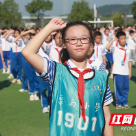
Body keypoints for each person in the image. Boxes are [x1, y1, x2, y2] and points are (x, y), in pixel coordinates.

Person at [22, 18, 114, 136]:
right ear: (64, 43)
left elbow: (106, 116)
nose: (79, 43)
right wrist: (49, 27)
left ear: (91, 42)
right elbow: (28, 52)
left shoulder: (101, 77)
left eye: (84, 38)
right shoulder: (56, 72)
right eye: (72, 39)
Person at [106, 31, 132, 110]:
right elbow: (107, 47)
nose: (124, 40)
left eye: (125, 38)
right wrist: (112, 40)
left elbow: (129, 61)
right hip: (117, 71)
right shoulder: (115, 48)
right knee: (118, 88)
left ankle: (125, 102)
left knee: (125, 88)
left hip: (126, 72)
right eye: (122, 39)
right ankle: (119, 103)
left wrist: (130, 71)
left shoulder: (128, 50)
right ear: (118, 40)